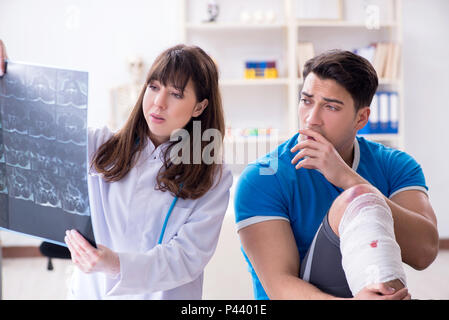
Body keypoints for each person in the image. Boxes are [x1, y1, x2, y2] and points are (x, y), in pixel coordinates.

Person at [0, 41, 233, 299]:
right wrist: (6, 76)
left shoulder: (214, 177)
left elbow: (187, 258)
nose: (158, 102)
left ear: (199, 107)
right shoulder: (99, 146)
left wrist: (115, 264)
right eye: (153, 87)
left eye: (176, 94)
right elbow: (28, 128)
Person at [234, 49, 439, 300]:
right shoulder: (262, 178)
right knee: (357, 198)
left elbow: (425, 253)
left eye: (330, 107)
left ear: (361, 118)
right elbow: (280, 286)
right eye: (306, 100)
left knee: (359, 195)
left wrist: (347, 178)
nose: (311, 119)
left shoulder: (395, 165)